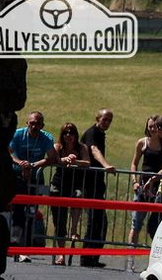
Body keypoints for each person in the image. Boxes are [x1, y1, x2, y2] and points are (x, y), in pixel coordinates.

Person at [8, 111, 61, 262]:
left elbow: (52, 157)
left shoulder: (46, 137)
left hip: (36, 178)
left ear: (42, 125)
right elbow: (9, 153)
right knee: (18, 212)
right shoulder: (18, 134)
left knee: (32, 213)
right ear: (27, 123)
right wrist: (20, 163)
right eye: (32, 123)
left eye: (38, 124)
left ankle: (26, 248)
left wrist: (33, 165)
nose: (34, 126)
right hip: (18, 178)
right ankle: (14, 244)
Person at [49, 122, 91, 266]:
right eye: (66, 133)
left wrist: (75, 161)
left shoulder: (81, 147)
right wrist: (63, 160)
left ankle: (74, 229)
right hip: (59, 185)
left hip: (75, 184)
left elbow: (87, 162)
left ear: (76, 135)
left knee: (78, 197)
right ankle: (61, 254)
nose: (68, 136)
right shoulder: (57, 147)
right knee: (59, 221)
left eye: (71, 133)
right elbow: (52, 159)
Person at [80, 108, 116, 268]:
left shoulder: (100, 134)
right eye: (105, 119)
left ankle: (92, 257)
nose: (107, 122)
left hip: (97, 183)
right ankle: (87, 257)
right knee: (95, 220)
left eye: (109, 120)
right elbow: (94, 150)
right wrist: (106, 165)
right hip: (90, 183)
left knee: (99, 221)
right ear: (97, 118)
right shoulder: (92, 133)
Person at [128, 115, 162, 249]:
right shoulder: (142, 142)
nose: (152, 129)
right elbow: (134, 164)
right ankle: (130, 258)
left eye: (155, 126)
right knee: (136, 223)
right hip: (143, 188)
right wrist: (134, 182)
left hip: (160, 188)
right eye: (150, 126)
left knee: (157, 224)